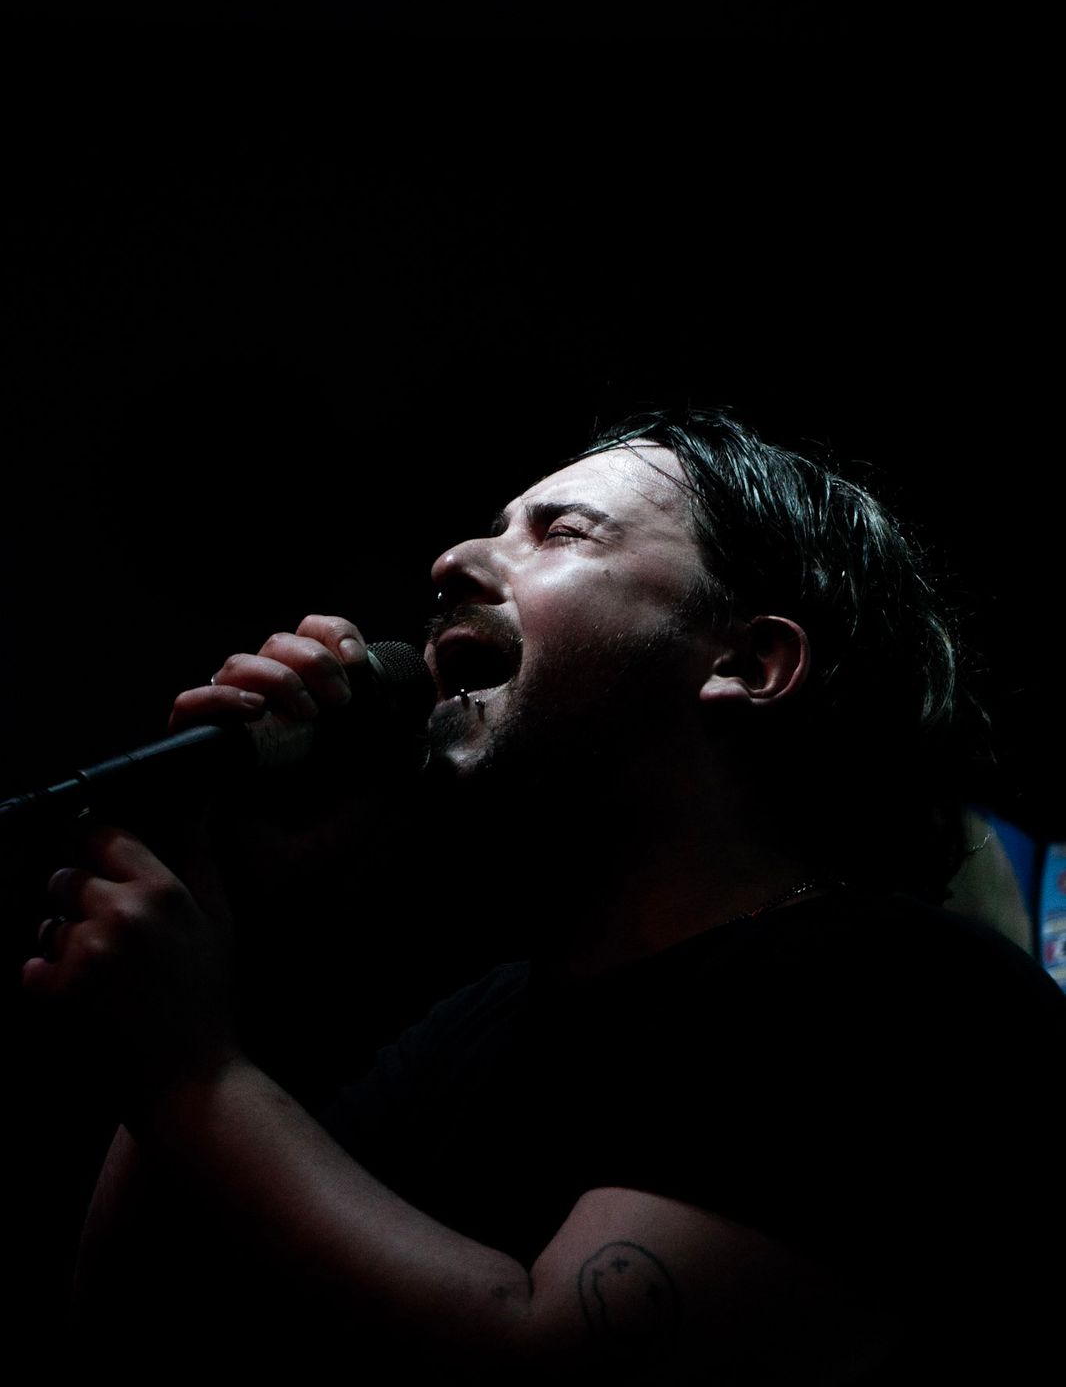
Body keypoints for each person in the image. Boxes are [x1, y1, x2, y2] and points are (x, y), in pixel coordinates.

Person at [24, 409, 1065, 1383]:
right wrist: (249, 946)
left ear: (751, 660)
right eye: (491, 528)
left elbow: (563, 1376)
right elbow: (132, 1333)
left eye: (560, 532)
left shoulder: (906, 989)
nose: (451, 561)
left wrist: (193, 1072)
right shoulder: (476, 1027)